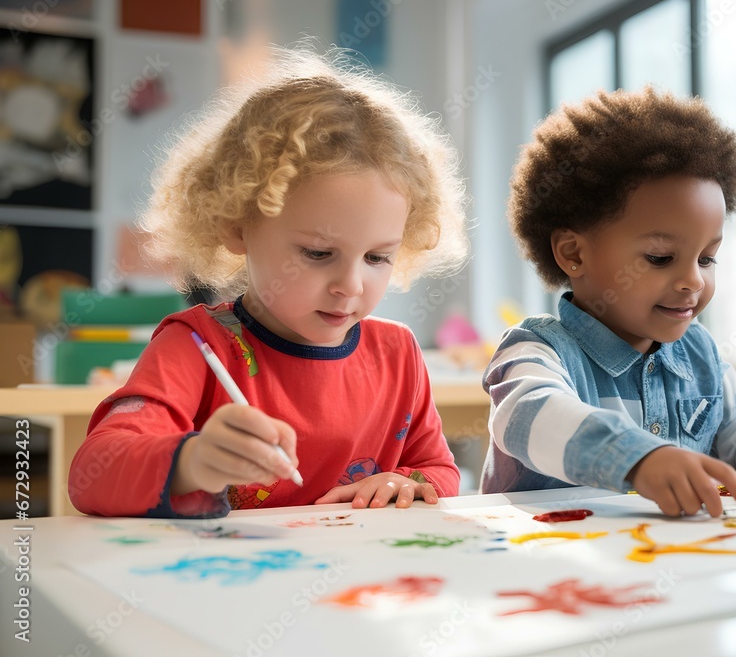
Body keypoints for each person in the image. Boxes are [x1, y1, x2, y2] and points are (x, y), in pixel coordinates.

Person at [69, 47, 469, 518]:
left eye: (377, 257)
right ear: (238, 226)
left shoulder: (398, 353)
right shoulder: (196, 346)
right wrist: (193, 462)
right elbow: (93, 473)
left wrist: (406, 483)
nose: (350, 285)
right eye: (318, 253)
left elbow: (438, 470)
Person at [482, 87, 736, 518]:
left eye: (707, 258)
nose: (693, 280)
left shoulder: (700, 355)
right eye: (660, 258)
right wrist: (637, 458)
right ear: (574, 253)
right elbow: (528, 417)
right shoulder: (536, 349)